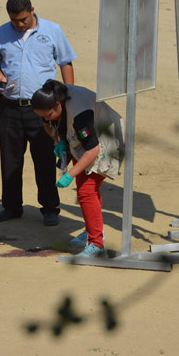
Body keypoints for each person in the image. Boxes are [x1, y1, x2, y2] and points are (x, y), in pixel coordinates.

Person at [0, 0, 76, 226]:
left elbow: (65, 62)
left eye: (23, 19)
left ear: (32, 10)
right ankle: (12, 207)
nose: (19, 24)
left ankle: (49, 208)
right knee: (10, 161)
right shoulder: (1, 33)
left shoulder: (52, 30)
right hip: (10, 108)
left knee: (44, 159)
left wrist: (68, 98)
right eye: (15, 20)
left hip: (43, 111)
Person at [31, 80, 125, 258]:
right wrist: (59, 142)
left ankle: (97, 244)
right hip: (81, 142)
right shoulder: (49, 102)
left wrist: (69, 175)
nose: (47, 119)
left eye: (49, 115)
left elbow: (93, 150)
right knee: (88, 189)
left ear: (57, 105)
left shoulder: (80, 115)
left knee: (86, 190)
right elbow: (49, 125)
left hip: (106, 138)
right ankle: (93, 231)